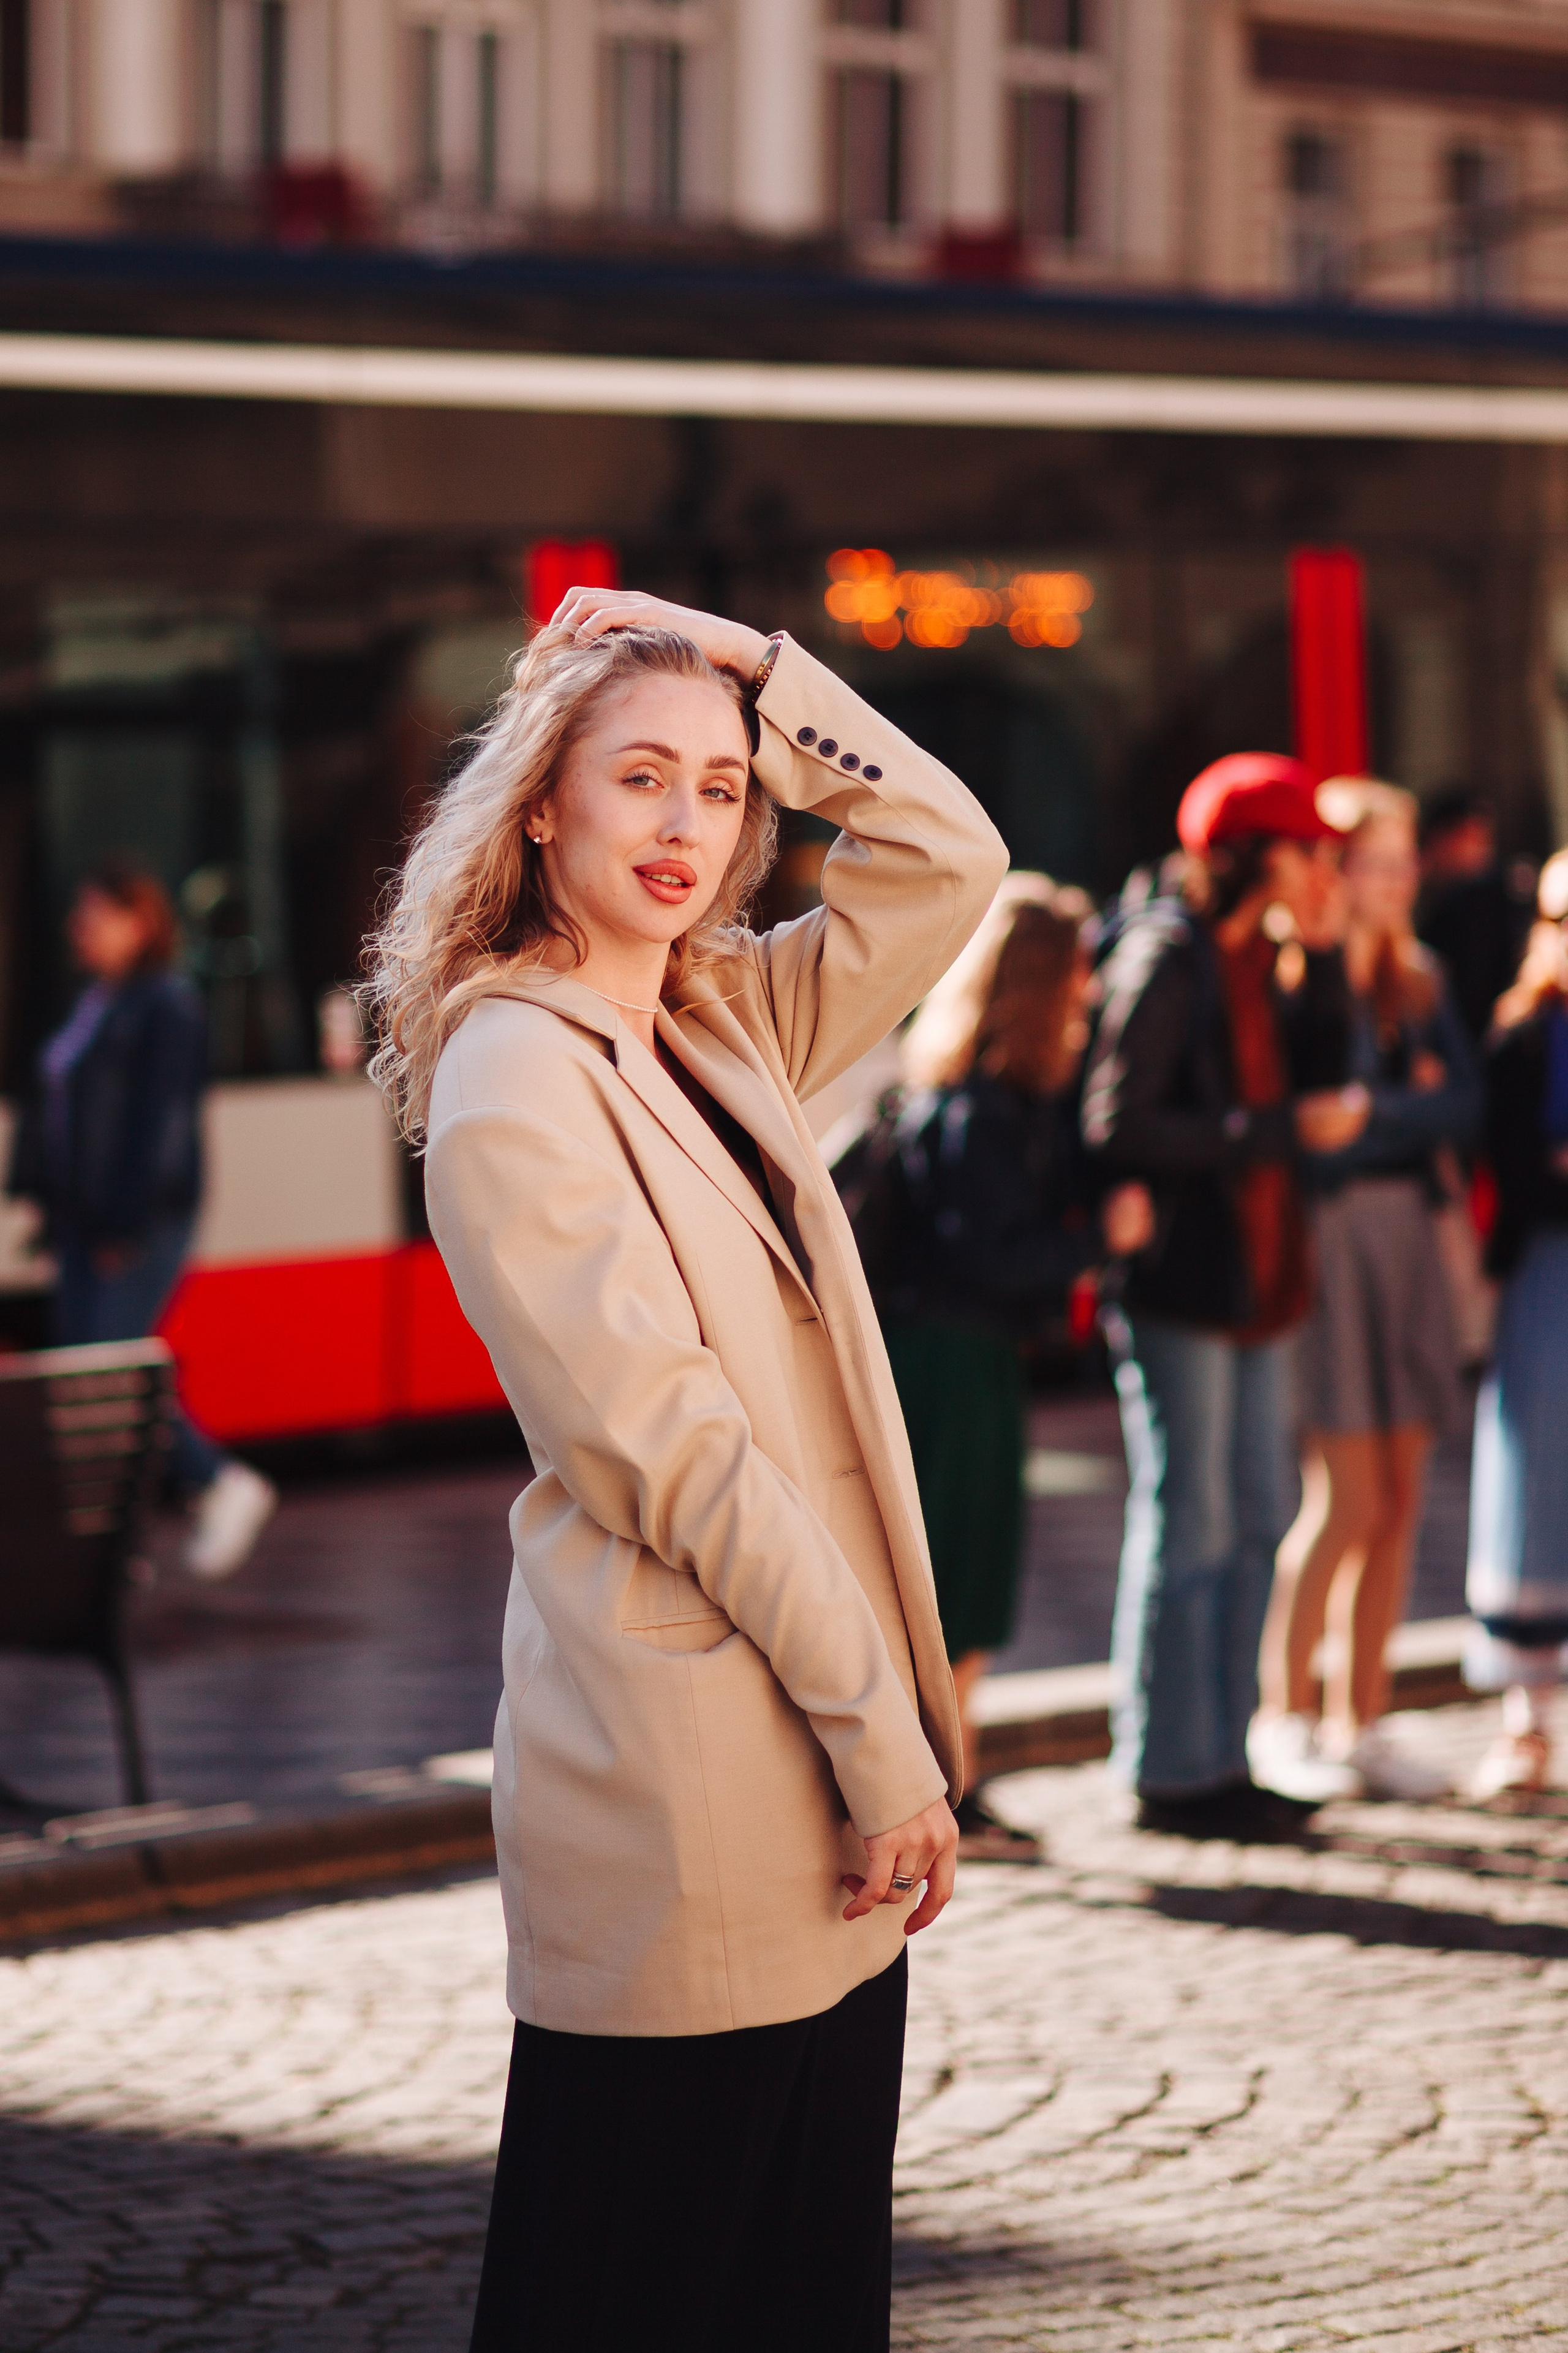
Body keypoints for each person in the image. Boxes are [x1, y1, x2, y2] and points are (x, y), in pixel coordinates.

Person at [362, 585, 1008, 2353]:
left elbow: (949, 852)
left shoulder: (724, 1023)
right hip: (694, 1789)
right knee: (641, 2288)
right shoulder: (518, 1074)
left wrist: (745, 662)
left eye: (721, 791)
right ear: (540, 808)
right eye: (639, 779)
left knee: (797, 2292)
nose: (686, 826)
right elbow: (683, 1461)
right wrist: (895, 1746)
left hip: (806, 1755)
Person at [1081, 753, 1366, 1842]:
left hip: (1263, 1280)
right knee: (1190, 1520)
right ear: (1256, 856)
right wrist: (1274, 1133)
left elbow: (1326, 1070)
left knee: (1259, 1514)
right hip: (1185, 1285)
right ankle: (1168, 1766)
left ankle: (1225, 1754)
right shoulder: (1168, 955)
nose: (1324, 870)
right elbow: (1119, 1125)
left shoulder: (1269, 958)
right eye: (1310, 851)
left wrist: (1330, 953)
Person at [848, 874, 1153, 1864]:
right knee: (952, 1581)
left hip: (960, 1353)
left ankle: (955, 1778)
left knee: (963, 1580)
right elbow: (991, 1256)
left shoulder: (984, 1095)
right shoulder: (980, 1112)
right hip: (952, 1359)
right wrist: (1096, 1241)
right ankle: (937, 1783)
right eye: (1075, 979)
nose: (1089, 997)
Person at [1254, 780, 1479, 1805]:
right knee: (1343, 1496)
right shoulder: (1303, 974)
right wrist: (1403, 1107)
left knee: (1402, 1493)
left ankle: (1367, 1717)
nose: (1394, 882)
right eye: (1373, 863)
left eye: (1403, 863)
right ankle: (1285, 1716)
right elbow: (1315, 1136)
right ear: (1336, 871)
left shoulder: (1424, 979)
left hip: (1410, 1243)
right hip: (1336, 1242)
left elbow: (1458, 1110)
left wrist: (1379, 1113)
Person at [6, 861, 277, 1580]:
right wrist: (38, 1194)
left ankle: (219, 1482)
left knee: (109, 1372)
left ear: (141, 922)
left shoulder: (167, 1007)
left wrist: (125, 1219)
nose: (81, 930)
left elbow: (161, 1126)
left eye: (97, 916)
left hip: (137, 1219)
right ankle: (111, 1548)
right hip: (81, 1220)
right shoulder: (97, 1001)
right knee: (83, 1382)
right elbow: (55, 1107)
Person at [1462, 848, 1568, 1798]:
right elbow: (1507, 1159)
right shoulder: (1524, 1030)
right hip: (1545, 1270)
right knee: (1534, 1475)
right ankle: (1527, 1717)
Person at [1417, 787, 1534, 1048]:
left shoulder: (1485, 899)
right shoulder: (1440, 903)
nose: (1483, 851)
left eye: (1485, 840)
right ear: (1438, 840)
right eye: (1471, 839)